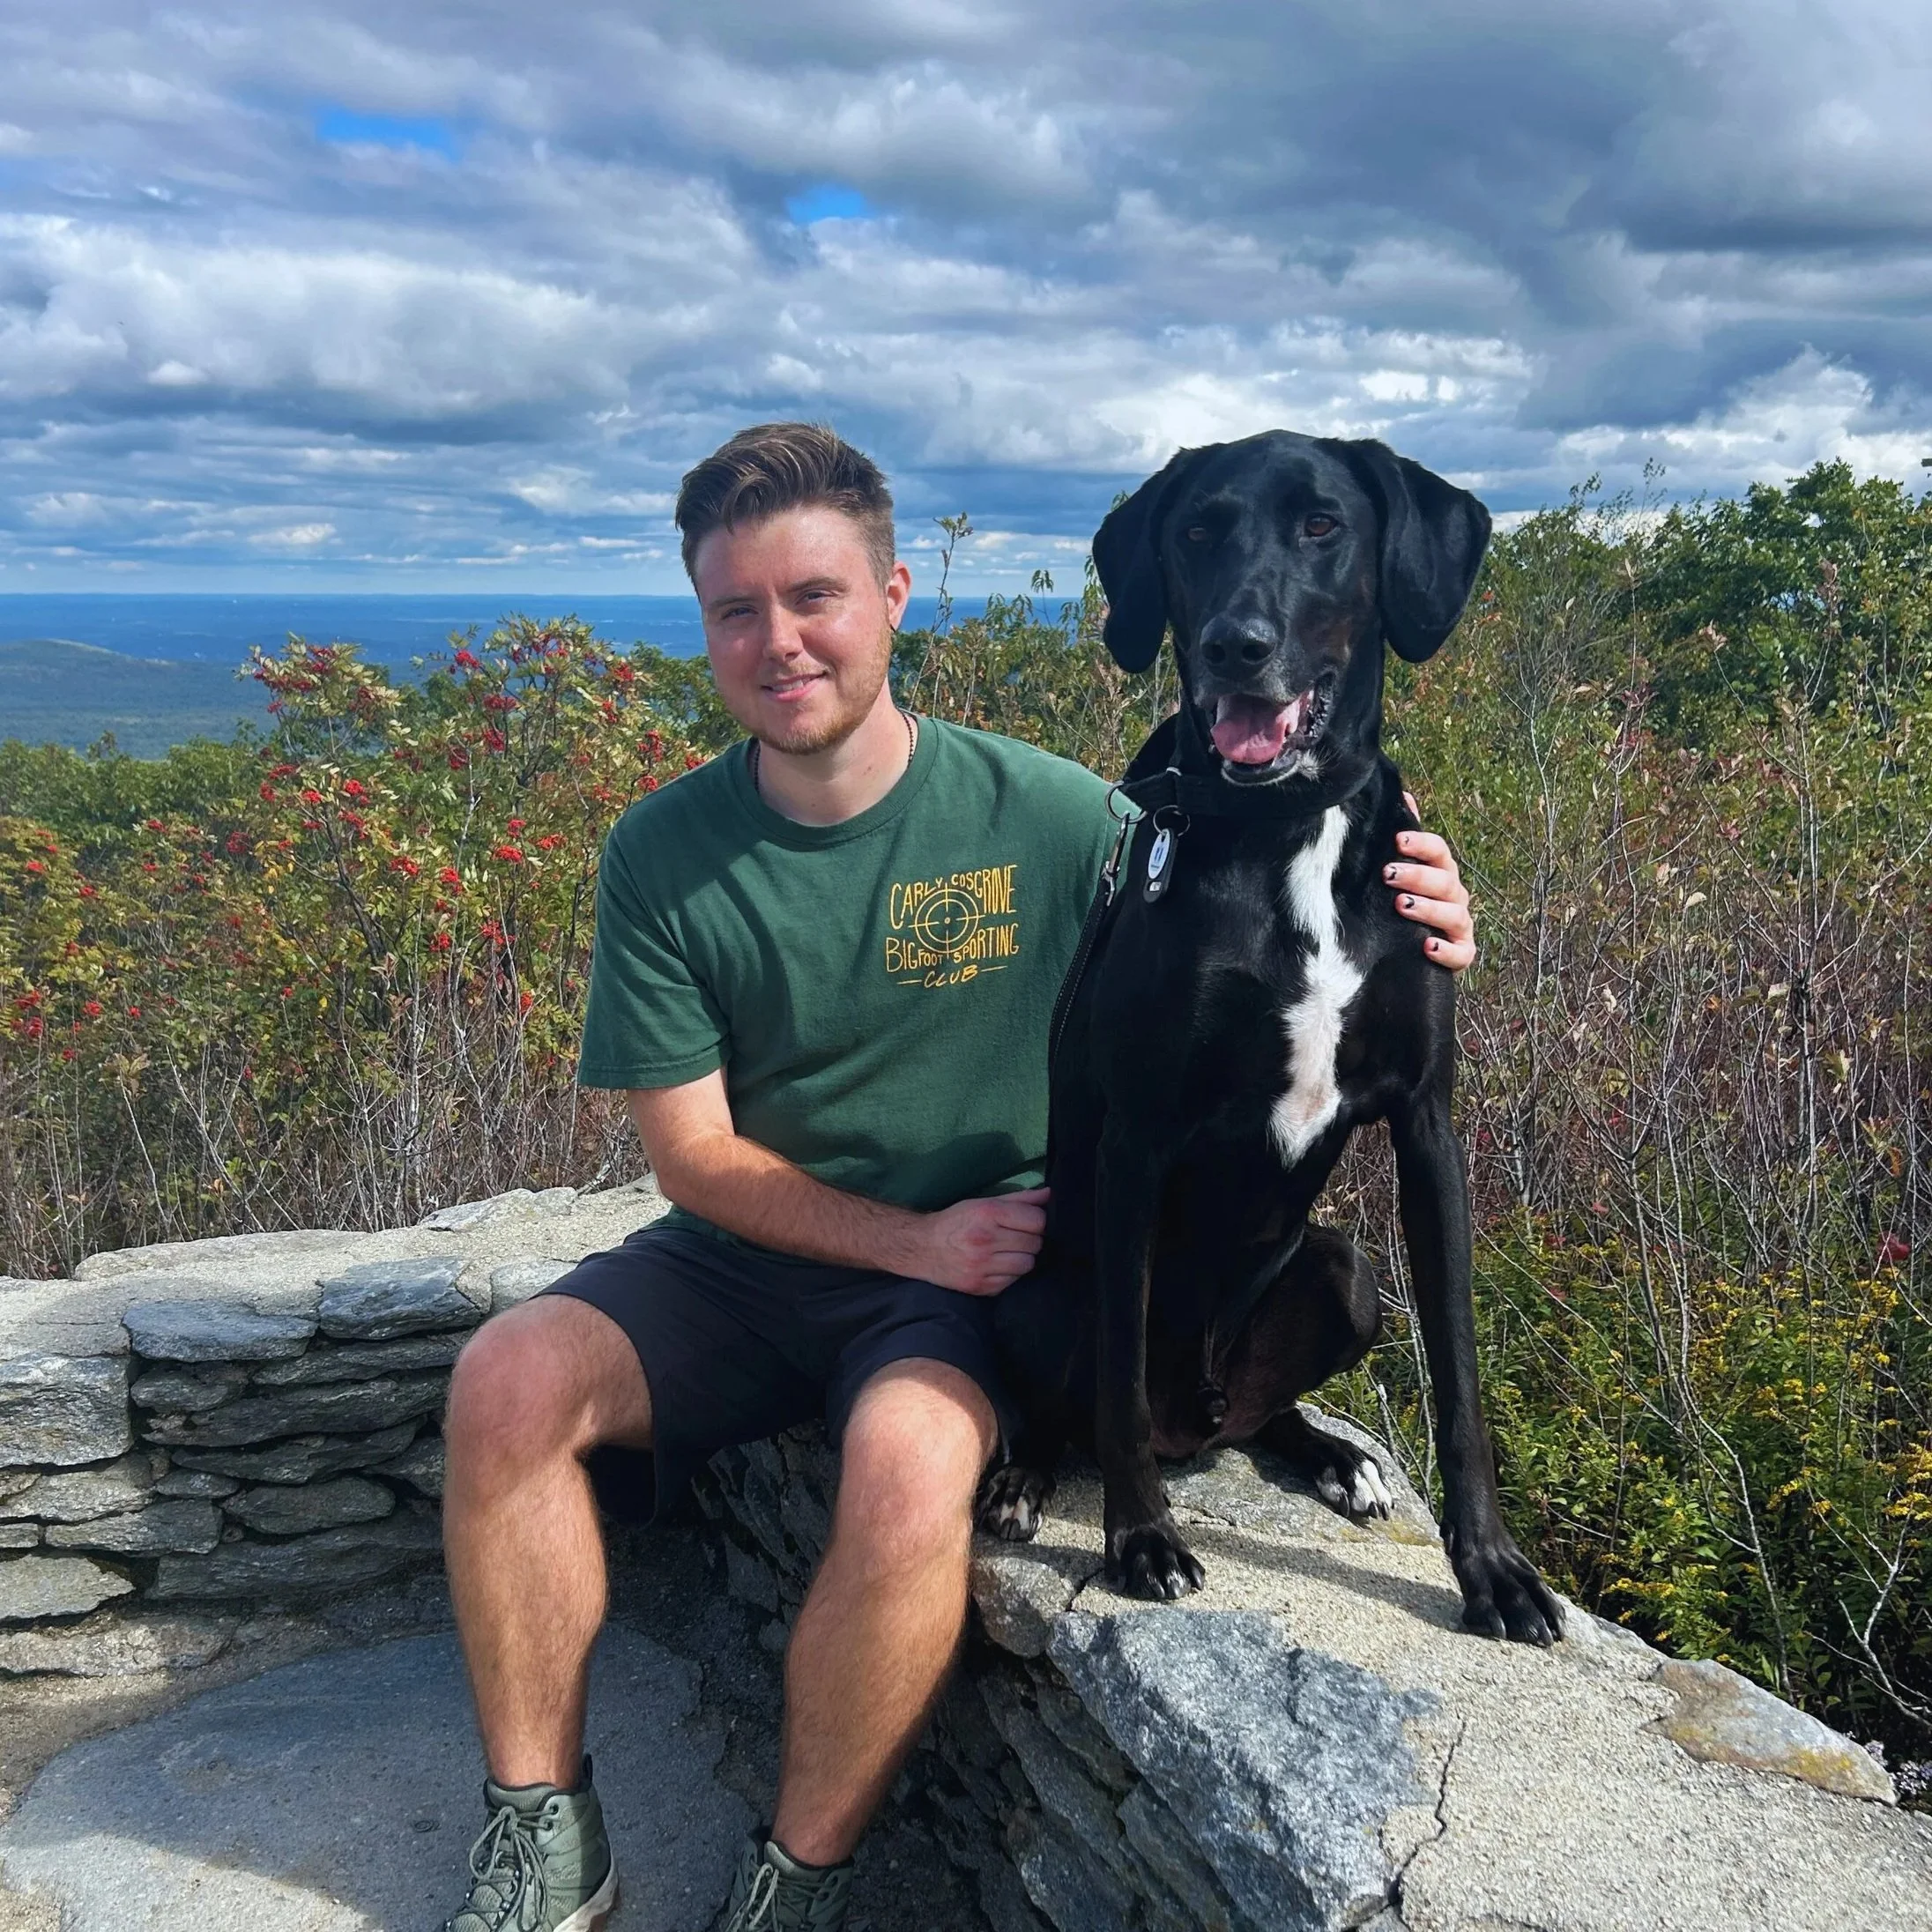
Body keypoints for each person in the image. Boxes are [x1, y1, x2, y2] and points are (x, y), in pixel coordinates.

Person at [437, 423, 1478, 1932]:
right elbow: (694, 1158)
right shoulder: (662, 853)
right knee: (507, 1382)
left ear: (894, 596)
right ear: (707, 628)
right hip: (773, 1260)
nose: (779, 640)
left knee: (918, 1469)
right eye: (737, 609)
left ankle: (794, 1887)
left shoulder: (1054, 815)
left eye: (816, 596)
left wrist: (1435, 901)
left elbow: (1268, 901)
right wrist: (914, 1241)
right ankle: (544, 1843)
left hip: (961, 1287)